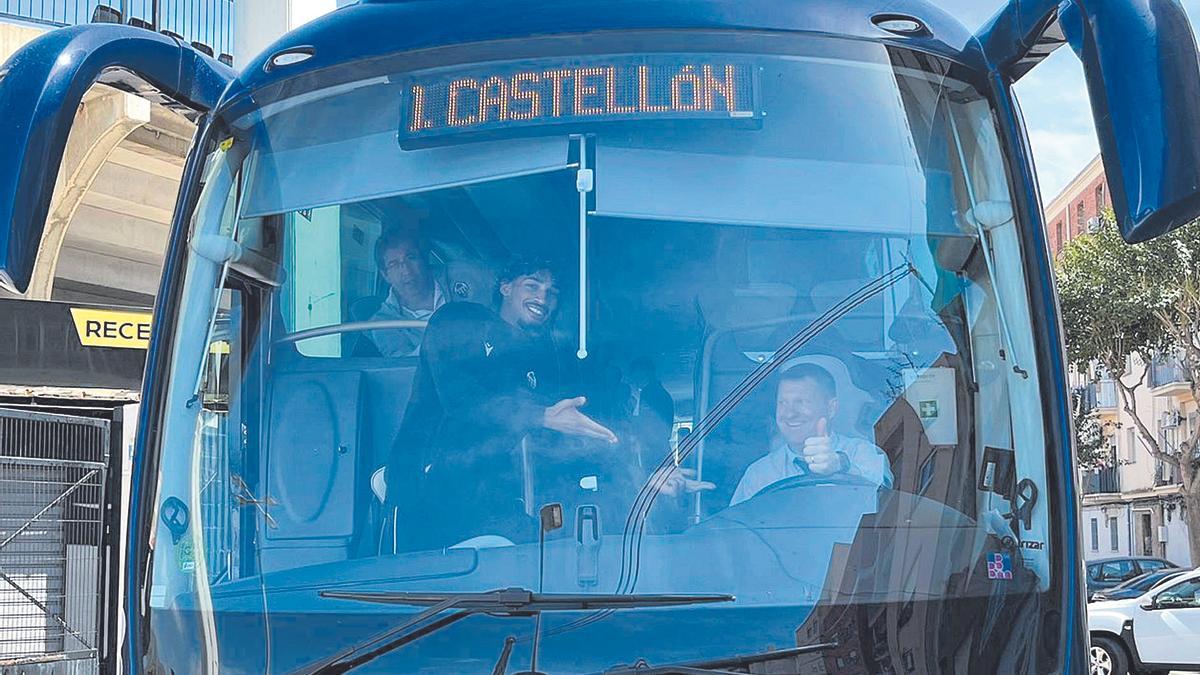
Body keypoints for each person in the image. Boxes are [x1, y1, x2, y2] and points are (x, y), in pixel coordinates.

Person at [385, 258, 618, 549]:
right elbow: (463, 399)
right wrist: (541, 415)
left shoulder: (537, 357)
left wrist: (641, 471)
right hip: (427, 486)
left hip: (490, 493)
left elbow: (558, 435)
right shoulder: (459, 320)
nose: (542, 297)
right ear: (505, 287)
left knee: (558, 543)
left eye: (552, 292)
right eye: (532, 285)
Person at [730, 363, 893, 506]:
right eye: (783, 403)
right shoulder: (759, 473)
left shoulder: (863, 453)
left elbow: (887, 497)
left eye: (802, 402)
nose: (789, 414)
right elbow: (735, 531)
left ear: (831, 408)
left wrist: (842, 466)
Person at [369, 228, 447, 357]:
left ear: (423, 260)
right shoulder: (382, 323)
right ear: (385, 275)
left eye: (411, 258)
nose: (406, 271)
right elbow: (404, 368)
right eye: (394, 264)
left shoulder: (459, 283)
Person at [628, 356, 675, 465]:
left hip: (655, 449)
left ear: (644, 372)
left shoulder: (650, 392)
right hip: (659, 447)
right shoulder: (658, 392)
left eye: (634, 374)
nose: (633, 378)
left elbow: (648, 422)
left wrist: (630, 420)